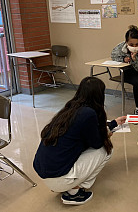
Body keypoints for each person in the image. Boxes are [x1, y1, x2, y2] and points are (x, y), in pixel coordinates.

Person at [33, 77, 127, 205]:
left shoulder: (71, 107)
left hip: (45, 172)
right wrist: (108, 133)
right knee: (106, 150)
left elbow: (89, 129)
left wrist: (114, 123)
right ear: (99, 95)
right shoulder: (89, 113)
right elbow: (97, 143)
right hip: (58, 177)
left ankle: (68, 185)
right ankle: (74, 192)